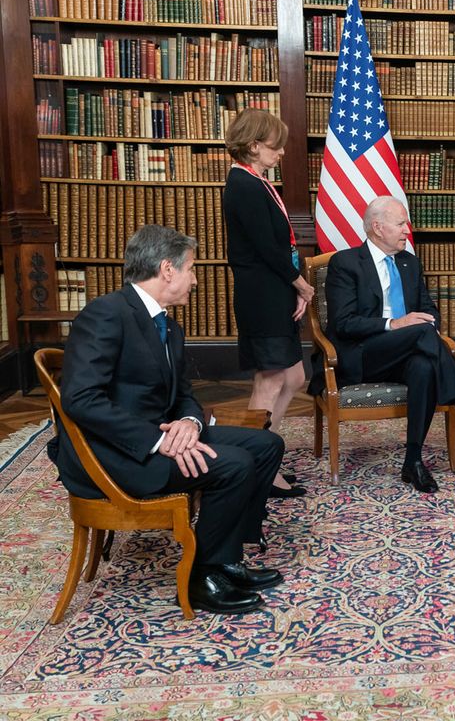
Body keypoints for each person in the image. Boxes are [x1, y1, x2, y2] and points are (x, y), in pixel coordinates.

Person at [50, 225, 285, 615]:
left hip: (155, 437)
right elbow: (81, 399)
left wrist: (189, 424)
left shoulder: (169, 326)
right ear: (167, 269)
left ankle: (226, 560)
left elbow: (184, 396)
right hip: (115, 455)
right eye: (191, 269)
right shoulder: (106, 314)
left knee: (266, 445)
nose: (195, 280)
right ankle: (201, 578)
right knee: (235, 464)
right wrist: (159, 442)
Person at [315, 196, 455, 493]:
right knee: (422, 333)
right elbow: (343, 324)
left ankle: (413, 461)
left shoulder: (409, 263)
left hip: (407, 352)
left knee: (424, 365)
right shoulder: (346, 263)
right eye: (400, 224)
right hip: (362, 354)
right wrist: (394, 323)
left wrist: (425, 324)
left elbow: (429, 310)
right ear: (377, 227)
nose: (406, 230)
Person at [223, 109, 315, 499]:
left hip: (274, 291)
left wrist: (292, 288)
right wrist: (302, 285)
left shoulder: (257, 182)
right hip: (261, 297)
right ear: (253, 145)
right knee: (270, 380)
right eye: (275, 146)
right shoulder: (242, 185)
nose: (281, 152)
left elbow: (280, 246)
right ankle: (254, 469)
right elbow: (266, 248)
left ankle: (266, 458)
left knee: (293, 378)